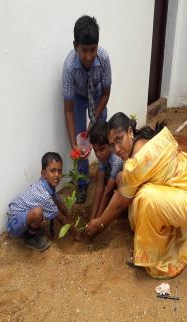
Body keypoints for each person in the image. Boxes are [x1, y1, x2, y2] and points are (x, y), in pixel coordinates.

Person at [86, 113, 187, 278]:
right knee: (129, 184)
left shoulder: (138, 160)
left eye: (119, 139)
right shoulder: (141, 142)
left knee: (145, 198)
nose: (116, 149)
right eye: (112, 144)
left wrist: (100, 224)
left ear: (130, 131)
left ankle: (154, 260)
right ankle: (163, 239)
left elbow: (120, 202)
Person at [62, 15, 112, 204]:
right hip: (79, 97)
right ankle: (82, 184)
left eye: (93, 50)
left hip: (99, 96)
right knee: (81, 141)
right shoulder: (69, 67)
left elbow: (106, 94)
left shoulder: (104, 58)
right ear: (76, 46)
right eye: (84, 51)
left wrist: (95, 119)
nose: (89, 56)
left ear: (97, 46)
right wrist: (74, 144)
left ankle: (104, 171)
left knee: (100, 135)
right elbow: (68, 111)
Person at [7, 152, 81, 251]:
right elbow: (61, 218)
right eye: (52, 171)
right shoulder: (44, 195)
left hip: (23, 214)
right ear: (43, 173)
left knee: (41, 213)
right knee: (38, 213)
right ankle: (29, 237)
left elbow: (58, 202)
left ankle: (30, 228)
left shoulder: (46, 183)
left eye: (59, 171)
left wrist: (69, 217)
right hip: (14, 222)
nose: (57, 175)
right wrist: (76, 233)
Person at [88, 121, 123, 220]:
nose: (98, 154)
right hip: (112, 178)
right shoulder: (103, 157)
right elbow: (100, 187)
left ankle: (122, 209)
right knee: (98, 174)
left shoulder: (117, 160)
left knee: (118, 179)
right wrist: (92, 219)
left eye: (102, 149)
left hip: (126, 183)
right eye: (95, 150)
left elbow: (107, 192)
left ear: (111, 145)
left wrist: (98, 221)